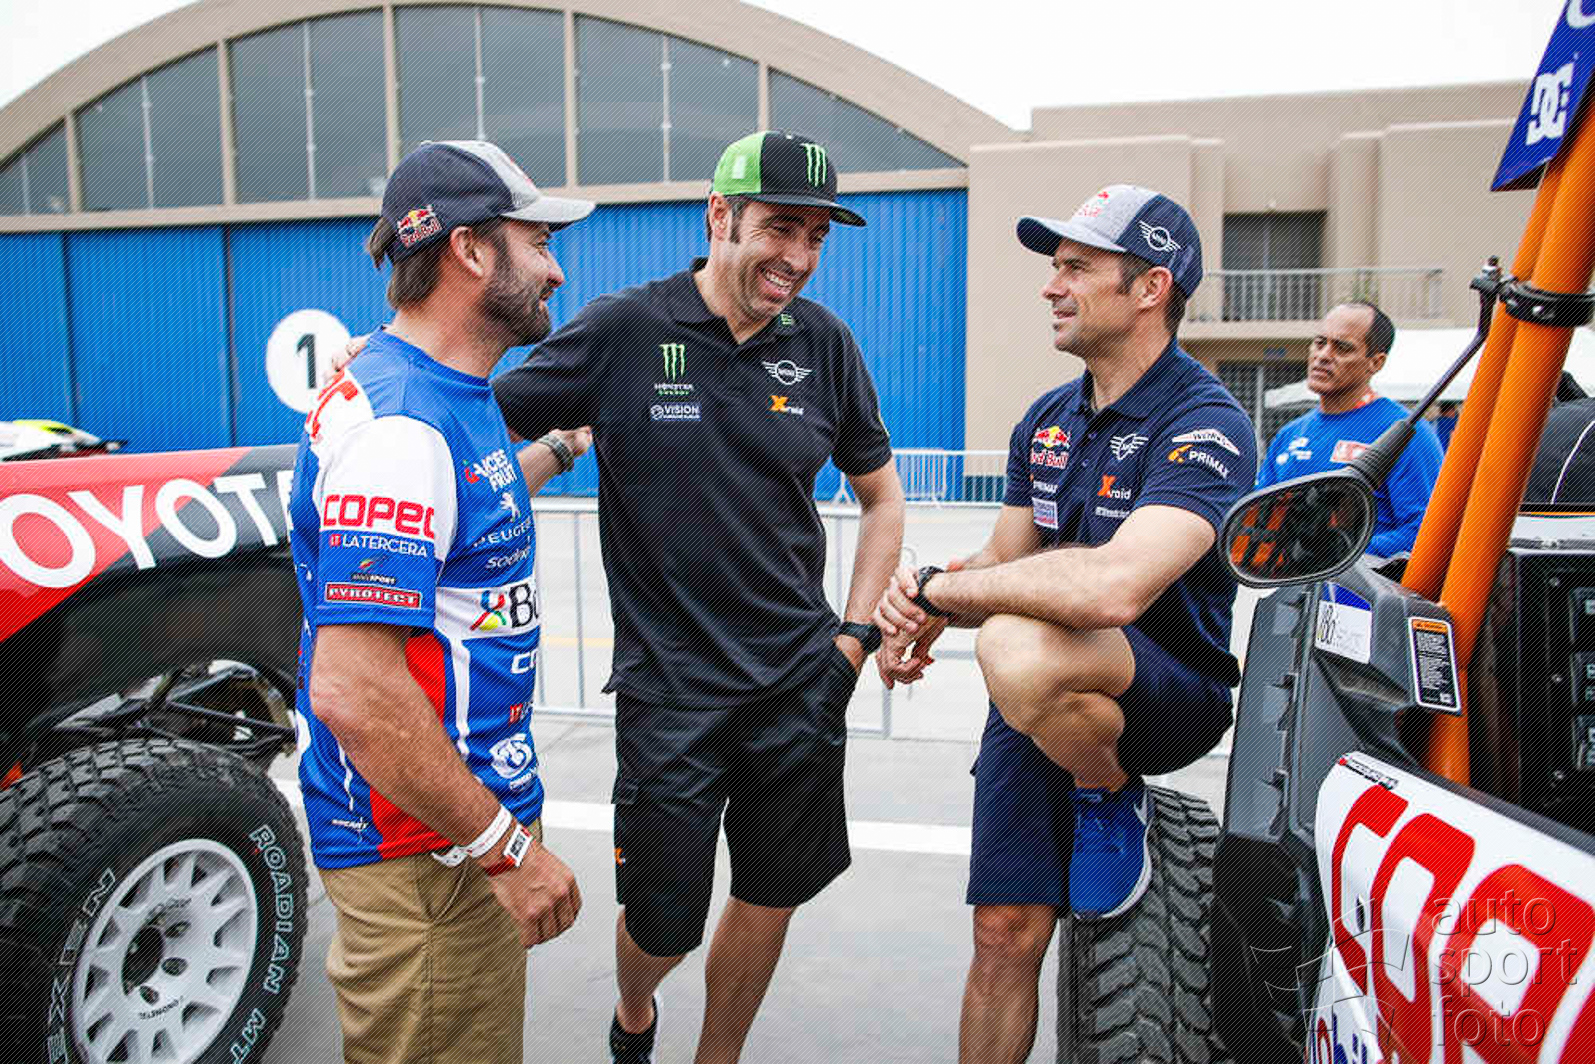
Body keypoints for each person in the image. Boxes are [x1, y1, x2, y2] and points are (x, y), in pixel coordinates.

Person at [490, 130, 906, 1064]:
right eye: (779, 228)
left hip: (799, 683)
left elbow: (882, 496)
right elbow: (475, 419)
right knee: (662, 924)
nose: (798, 257)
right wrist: (391, 373)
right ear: (720, 215)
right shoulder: (625, 329)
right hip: (670, 694)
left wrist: (851, 642)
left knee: (769, 896)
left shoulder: (825, 343)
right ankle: (635, 1011)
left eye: (815, 237)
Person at [871, 185, 1256, 1064]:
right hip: (1040, 694)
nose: (1052, 286)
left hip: (1166, 692)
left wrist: (949, 594)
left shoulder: (1206, 423)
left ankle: (1108, 790)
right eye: (1055, 268)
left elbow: (1115, 588)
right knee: (1000, 934)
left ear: (1150, 287)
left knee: (1014, 643)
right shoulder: (1046, 420)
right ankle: (1087, 785)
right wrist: (921, 603)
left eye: (1077, 268)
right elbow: (1001, 560)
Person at [288, 140, 593, 1064]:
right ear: (469, 250)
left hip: (452, 833)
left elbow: (464, 516)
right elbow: (354, 689)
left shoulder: (443, 394)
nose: (555, 270)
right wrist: (506, 849)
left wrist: (564, 447)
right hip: (427, 850)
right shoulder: (400, 429)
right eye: (538, 242)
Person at [1256, 301, 1443, 556]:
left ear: (1375, 363)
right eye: (1320, 343)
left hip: (1359, 581)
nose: (1323, 355)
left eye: (1342, 348)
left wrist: (1336, 557)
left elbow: (1425, 531)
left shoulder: (1406, 434)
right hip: (1281, 579)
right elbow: (1259, 522)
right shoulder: (1289, 435)